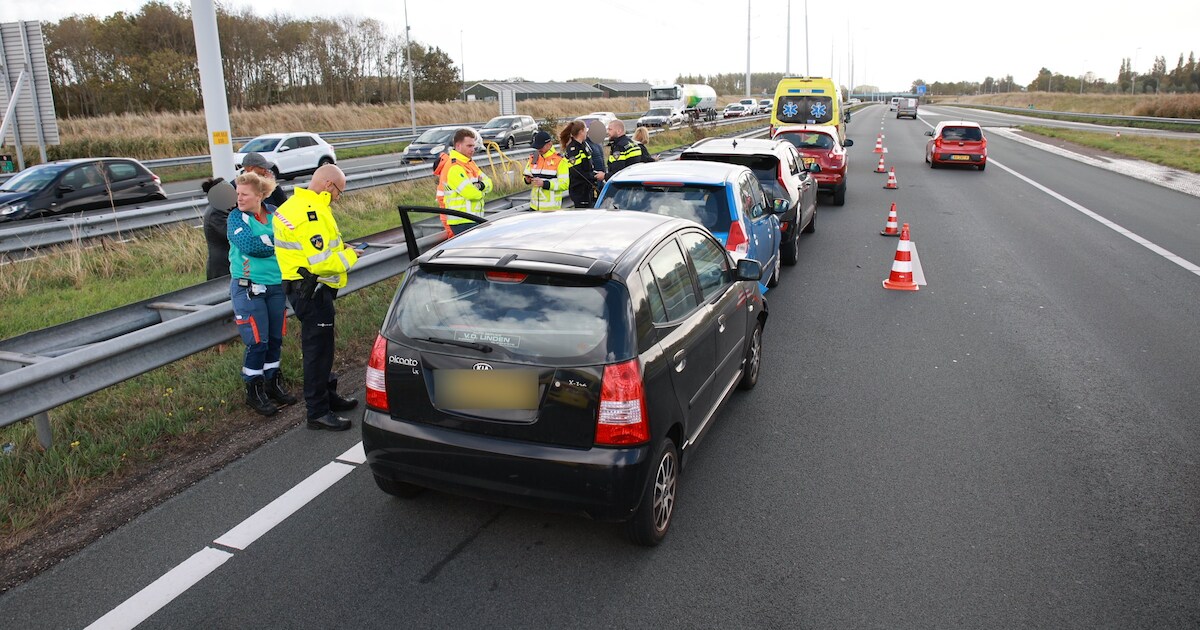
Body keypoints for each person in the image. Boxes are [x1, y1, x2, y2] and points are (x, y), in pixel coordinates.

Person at [273, 164, 360, 432]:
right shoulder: (310, 213)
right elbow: (321, 262)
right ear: (327, 185)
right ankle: (318, 412)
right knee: (317, 352)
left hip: (307, 290)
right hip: (312, 291)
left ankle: (328, 395)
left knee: (324, 349)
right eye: (339, 192)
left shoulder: (296, 205)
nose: (338, 198)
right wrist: (351, 255)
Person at [227, 171, 296, 416]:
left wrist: (272, 240)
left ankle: (272, 383)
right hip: (249, 289)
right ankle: (253, 392)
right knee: (258, 342)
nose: (239, 199)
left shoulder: (277, 213)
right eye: (237, 193)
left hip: (276, 286)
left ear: (260, 195)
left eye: (244, 194)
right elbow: (251, 246)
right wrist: (277, 242)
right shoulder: (236, 218)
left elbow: (293, 235)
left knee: (275, 339)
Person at [435, 128, 493, 235]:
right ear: (458, 146)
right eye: (469, 146)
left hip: (472, 218)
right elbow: (471, 194)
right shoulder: (454, 167)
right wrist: (482, 190)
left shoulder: (469, 163)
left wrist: (479, 185)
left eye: (473, 146)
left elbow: (489, 183)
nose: (473, 149)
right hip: (462, 220)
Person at [559, 121, 604, 208]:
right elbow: (577, 172)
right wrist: (594, 176)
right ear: (581, 132)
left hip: (588, 188)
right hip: (580, 190)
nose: (587, 132)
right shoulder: (574, 149)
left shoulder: (584, 145)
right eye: (585, 130)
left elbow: (588, 166)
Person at [522, 131, 569, 211]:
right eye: (537, 147)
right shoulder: (533, 158)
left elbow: (564, 184)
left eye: (541, 147)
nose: (538, 149)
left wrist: (544, 184)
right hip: (534, 207)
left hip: (551, 209)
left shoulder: (560, 160)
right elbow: (527, 174)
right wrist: (527, 180)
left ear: (549, 144)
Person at [202, 177, 233, 280]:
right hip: (222, 266)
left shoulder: (219, 208)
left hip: (224, 263)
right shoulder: (217, 211)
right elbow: (231, 234)